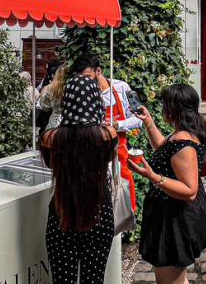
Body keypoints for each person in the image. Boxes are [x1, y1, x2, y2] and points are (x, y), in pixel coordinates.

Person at [127, 84, 206, 284]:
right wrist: (148, 122)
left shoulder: (184, 141)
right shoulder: (183, 133)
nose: (162, 108)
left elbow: (189, 190)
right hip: (173, 215)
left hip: (175, 220)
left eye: (164, 104)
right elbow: (165, 149)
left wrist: (153, 176)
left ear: (173, 109)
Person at [39, 74, 114, 284]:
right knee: (94, 279)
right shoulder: (107, 135)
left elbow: (51, 164)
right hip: (99, 213)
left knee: (62, 280)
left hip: (62, 212)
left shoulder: (49, 138)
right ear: (96, 101)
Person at [86, 56, 143, 210]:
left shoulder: (121, 87)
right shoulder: (84, 93)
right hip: (92, 154)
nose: (85, 83)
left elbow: (139, 119)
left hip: (119, 153)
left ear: (98, 71)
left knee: (122, 199)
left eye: (88, 77)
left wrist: (117, 124)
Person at [41, 64, 67, 130]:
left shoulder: (49, 88)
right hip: (70, 122)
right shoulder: (74, 87)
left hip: (54, 123)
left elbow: (45, 107)